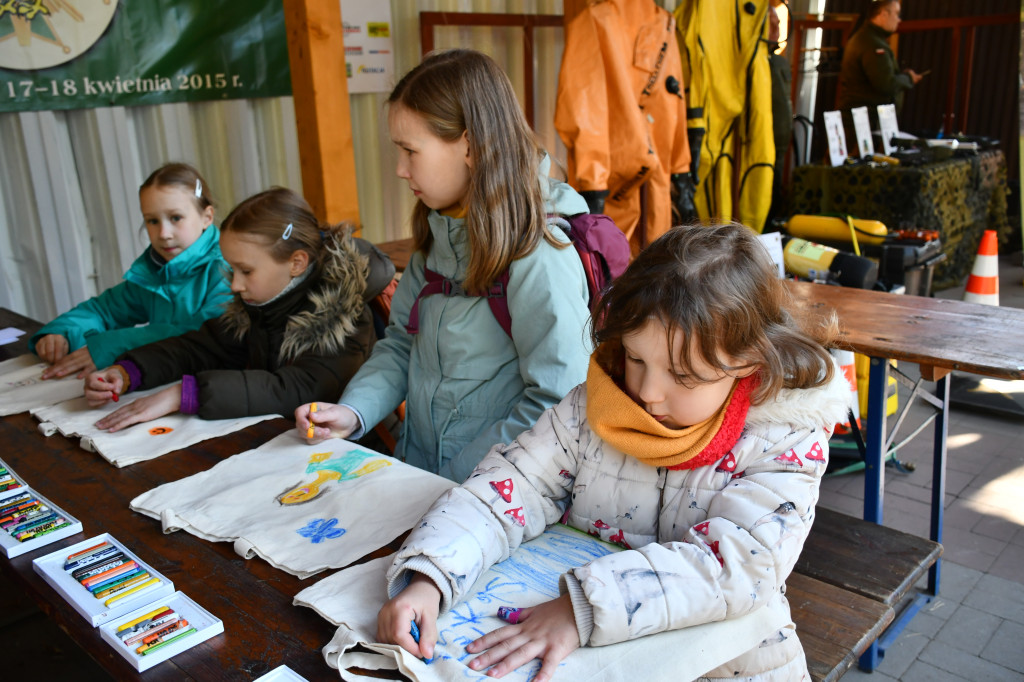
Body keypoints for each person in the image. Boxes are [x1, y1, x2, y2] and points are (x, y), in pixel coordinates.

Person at [376, 223, 852, 681]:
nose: (648, 393)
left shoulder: (785, 439)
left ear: (747, 361)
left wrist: (582, 607)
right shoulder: (593, 409)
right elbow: (510, 485)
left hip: (728, 668)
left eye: (682, 376)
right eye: (636, 358)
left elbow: (736, 565)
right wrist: (431, 575)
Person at [296, 49, 592, 482]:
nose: (399, 169)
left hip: (492, 501)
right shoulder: (439, 237)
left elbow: (558, 400)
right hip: (426, 484)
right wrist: (352, 410)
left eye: (409, 151)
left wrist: (456, 484)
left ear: (469, 146)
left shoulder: (539, 254)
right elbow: (400, 345)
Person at [84, 187, 394, 431]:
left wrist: (187, 393)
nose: (234, 284)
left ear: (296, 263)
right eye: (232, 270)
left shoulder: (344, 317)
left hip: (350, 454)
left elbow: (295, 389)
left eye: (245, 270)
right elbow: (200, 347)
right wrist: (130, 371)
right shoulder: (261, 304)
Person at [30, 163, 231, 380]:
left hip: (212, 387)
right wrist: (63, 333)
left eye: (175, 218)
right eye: (152, 221)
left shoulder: (228, 268)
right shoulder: (156, 270)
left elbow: (198, 335)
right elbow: (104, 310)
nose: (163, 233)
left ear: (207, 217)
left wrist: (110, 346)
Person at [838, 0, 922, 135]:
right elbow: (885, 84)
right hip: (864, 122)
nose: (898, 20)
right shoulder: (872, 44)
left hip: (865, 120)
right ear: (883, 14)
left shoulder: (869, 38)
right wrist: (908, 78)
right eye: (896, 14)